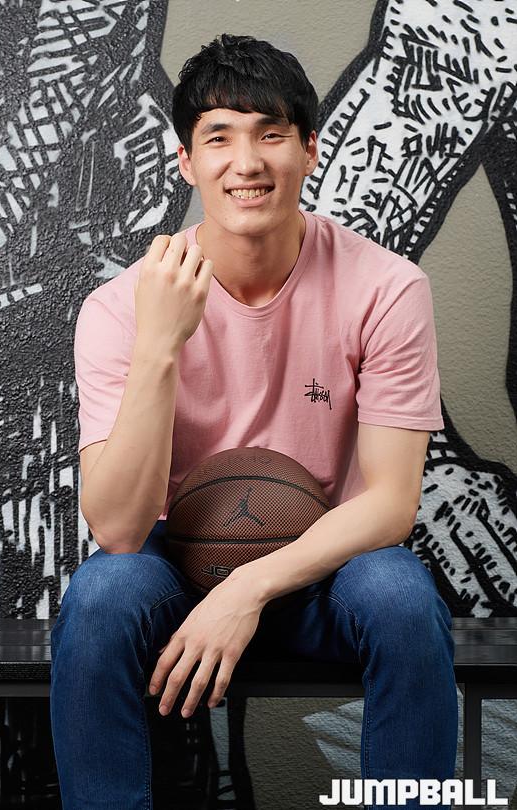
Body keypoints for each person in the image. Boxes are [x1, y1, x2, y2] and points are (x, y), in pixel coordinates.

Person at [50, 33, 458, 810]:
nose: (247, 162)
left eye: (271, 134)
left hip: (325, 566)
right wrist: (160, 347)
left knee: (402, 598)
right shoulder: (119, 307)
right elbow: (120, 530)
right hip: (176, 562)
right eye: (219, 138)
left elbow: (391, 503)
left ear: (310, 150)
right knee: (101, 596)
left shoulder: (387, 287)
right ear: (185, 161)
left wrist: (248, 589)